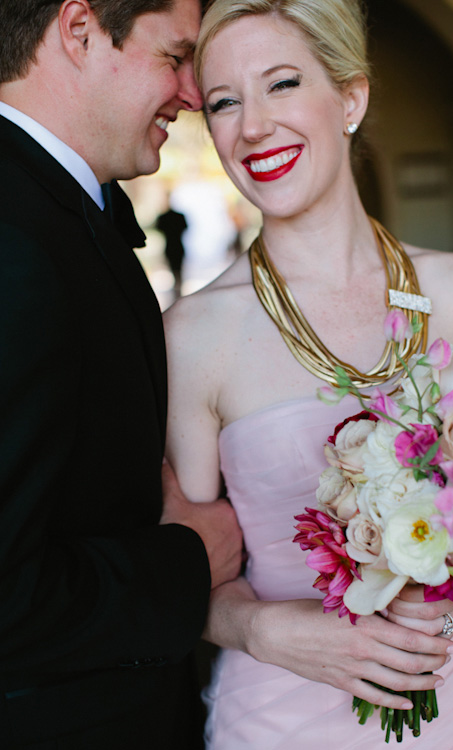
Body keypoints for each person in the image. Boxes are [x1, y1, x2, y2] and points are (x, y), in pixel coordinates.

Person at [163, 0, 453, 746]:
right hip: (283, 716)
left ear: (351, 96)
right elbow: (182, 566)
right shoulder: (194, 336)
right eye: (224, 101)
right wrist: (258, 629)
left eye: (281, 84)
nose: (252, 126)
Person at [0, 1, 242, 748]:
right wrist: (188, 560)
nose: (195, 95)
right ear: (79, 31)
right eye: (174, 58)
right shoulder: (16, 241)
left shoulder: (58, 210)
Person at [155, 197, 188, 298]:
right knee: (177, 266)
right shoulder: (178, 216)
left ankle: (177, 284)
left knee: (175, 266)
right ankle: (178, 284)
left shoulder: (165, 217)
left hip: (172, 244)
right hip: (176, 244)